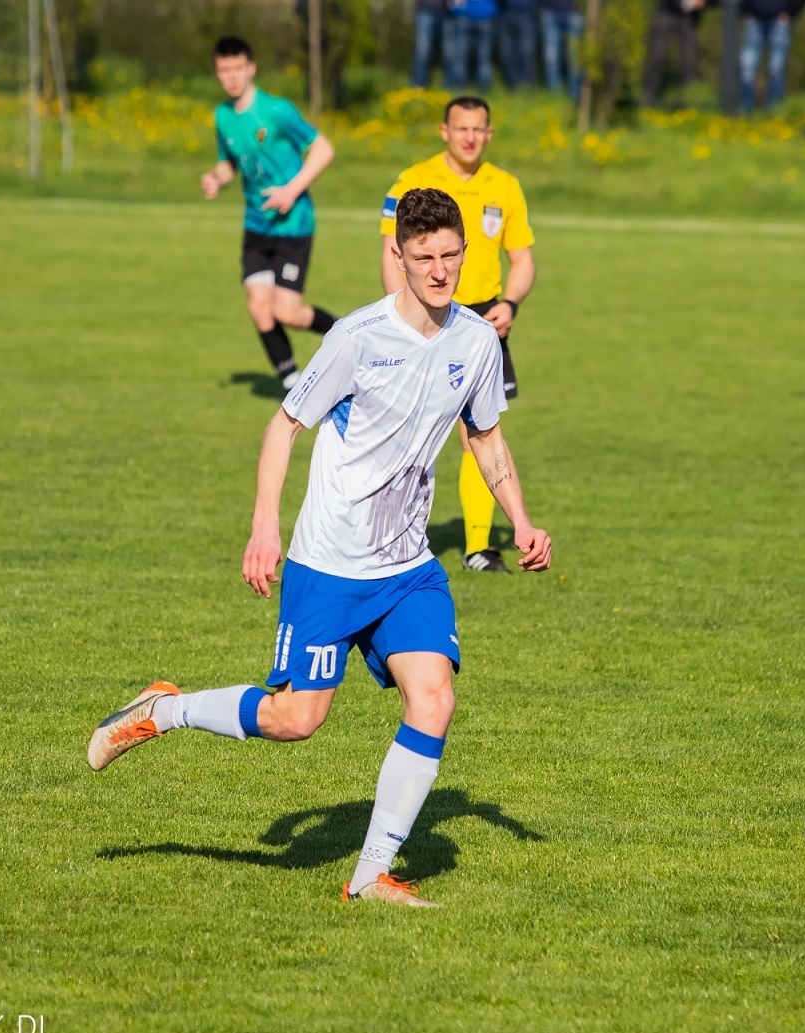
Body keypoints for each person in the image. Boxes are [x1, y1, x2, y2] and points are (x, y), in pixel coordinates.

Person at [87, 188, 554, 910]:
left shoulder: (476, 341)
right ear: (396, 255)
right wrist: (265, 527)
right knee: (296, 720)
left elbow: (485, 435)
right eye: (424, 256)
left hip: (406, 568)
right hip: (329, 564)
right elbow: (284, 427)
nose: (440, 270)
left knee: (434, 699)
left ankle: (371, 874)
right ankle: (165, 709)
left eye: (451, 255)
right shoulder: (358, 338)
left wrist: (520, 518)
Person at [380, 98, 535, 575]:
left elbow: (523, 260)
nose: (469, 136)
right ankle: (388, 532)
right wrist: (401, 321)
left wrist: (509, 303)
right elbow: (391, 255)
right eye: (460, 127)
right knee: (404, 426)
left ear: (489, 134)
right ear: (444, 130)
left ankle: (478, 548)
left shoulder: (505, 187)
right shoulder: (411, 180)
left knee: (480, 434)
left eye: (478, 129)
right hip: (422, 319)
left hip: (482, 322)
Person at [202, 37, 340, 391]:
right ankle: (292, 382)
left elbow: (323, 149)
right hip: (256, 226)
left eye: (237, 68)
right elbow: (229, 164)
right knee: (259, 307)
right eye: (223, 70)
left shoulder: (276, 111)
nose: (231, 77)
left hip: (293, 226)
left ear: (250, 68)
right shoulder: (221, 116)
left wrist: (292, 190)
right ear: (217, 73)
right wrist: (217, 178)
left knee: (287, 313)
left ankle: (345, 331)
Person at [739, 0, 805, 113]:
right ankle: (746, 107)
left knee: (776, 67)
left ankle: (774, 108)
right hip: (754, 19)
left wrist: (791, 13)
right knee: (747, 65)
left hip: (779, 21)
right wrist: (744, 10)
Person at [643, 0, 705, 108]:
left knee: (688, 61)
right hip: (666, 11)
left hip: (690, 17)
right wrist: (685, 4)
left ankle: (689, 101)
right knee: (657, 56)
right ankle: (647, 98)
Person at [448, 0, 499, 92]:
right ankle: (483, 89)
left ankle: (461, 88)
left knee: (462, 56)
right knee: (482, 57)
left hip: (471, 13)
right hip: (479, 13)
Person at [540, 0, 585, 101]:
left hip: (574, 11)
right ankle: (554, 99)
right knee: (551, 58)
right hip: (550, 10)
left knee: (575, 59)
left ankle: (575, 100)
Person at [500, 0, 539, 89]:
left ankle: (527, 85)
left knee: (526, 52)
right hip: (506, 14)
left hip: (526, 14)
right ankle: (512, 84)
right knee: (508, 52)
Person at [411, 0, 450, 87]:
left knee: (449, 53)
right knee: (422, 52)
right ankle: (418, 86)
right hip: (426, 9)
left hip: (448, 12)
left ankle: (451, 88)